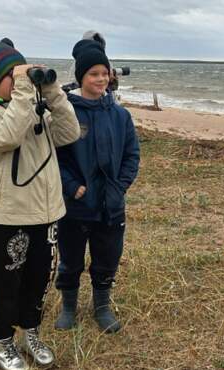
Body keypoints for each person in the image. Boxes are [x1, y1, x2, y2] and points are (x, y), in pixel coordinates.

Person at [0, 42, 80, 370]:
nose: (22, 82)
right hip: (7, 217)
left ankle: (31, 331)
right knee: (6, 284)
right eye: (11, 75)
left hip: (46, 214)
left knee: (39, 280)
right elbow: (6, 137)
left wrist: (52, 92)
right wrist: (23, 88)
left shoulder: (36, 112)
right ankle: (2, 340)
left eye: (22, 75)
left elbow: (69, 132)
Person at [54, 39, 140, 333]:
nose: (101, 79)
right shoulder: (66, 113)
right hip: (76, 207)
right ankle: (68, 307)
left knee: (107, 260)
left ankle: (101, 307)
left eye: (105, 73)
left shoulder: (120, 115)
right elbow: (56, 157)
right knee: (70, 261)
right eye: (93, 74)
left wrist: (120, 187)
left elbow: (132, 155)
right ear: (81, 77)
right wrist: (72, 186)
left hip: (111, 206)